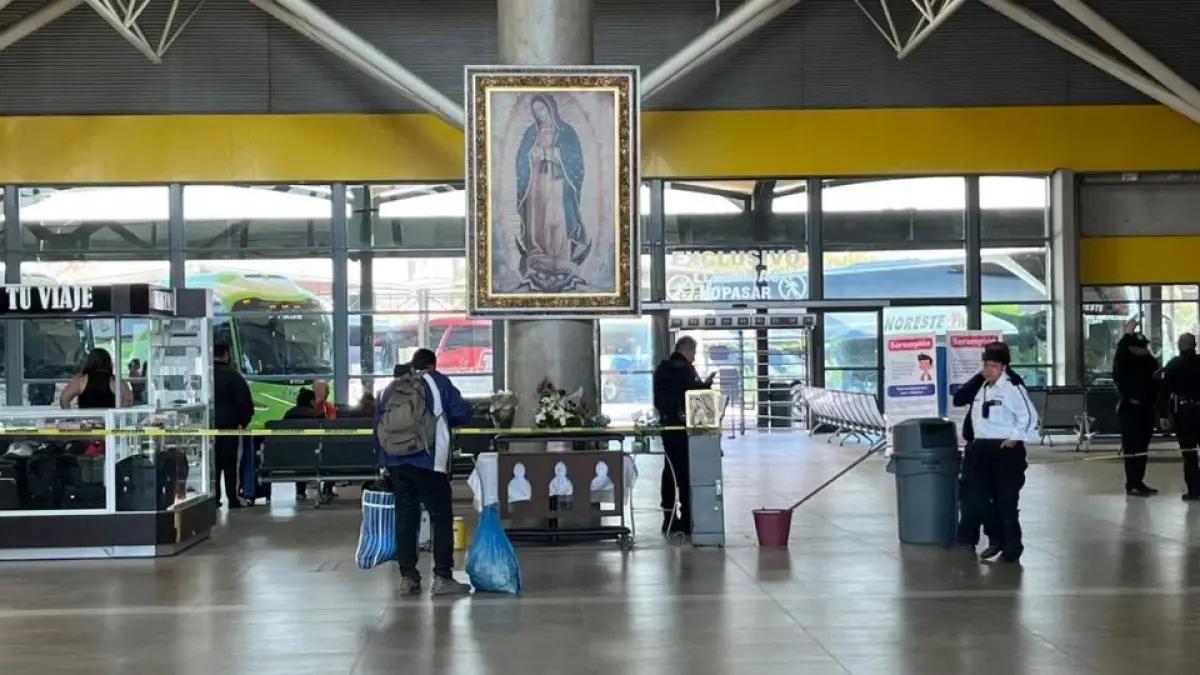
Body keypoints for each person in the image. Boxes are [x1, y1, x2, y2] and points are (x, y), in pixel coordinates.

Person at [376, 348, 472, 596]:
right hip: (428, 461)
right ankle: (442, 577)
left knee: (405, 518)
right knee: (441, 517)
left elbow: (379, 424)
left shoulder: (393, 387)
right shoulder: (437, 382)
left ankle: (408, 577)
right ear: (433, 365)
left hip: (396, 462)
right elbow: (461, 412)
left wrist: (384, 463)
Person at [955, 342, 1037, 563]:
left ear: (1004, 367)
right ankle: (995, 536)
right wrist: (980, 377)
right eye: (986, 365)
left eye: (993, 366)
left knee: (1006, 502)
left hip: (1004, 451)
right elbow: (960, 398)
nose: (988, 370)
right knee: (976, 499)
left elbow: (1029, 416)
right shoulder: (982, 385)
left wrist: (1015, 438)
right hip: (980, 449)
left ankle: (1011, 546)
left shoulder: (1012, 387)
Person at [514, 93, 591, 291]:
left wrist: (556, 156)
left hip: (558, 182)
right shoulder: (531, 133)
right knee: (537, 217)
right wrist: (532, 157)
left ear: (551, 108)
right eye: (535, 111)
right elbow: (521, 159)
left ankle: (559, 255)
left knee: (556, 216)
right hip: (536, 182)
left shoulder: (567, 133)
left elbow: (576, 162)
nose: (539, 114)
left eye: (542, 109)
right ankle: (538, 253)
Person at [653, 336, 714, 536]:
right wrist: (706, 385)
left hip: (667, 427)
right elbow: (695, 396)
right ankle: (687, 519)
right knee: (685, 473)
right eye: (693, 353)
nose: (694, 357)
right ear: (686, 350)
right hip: (683, 428)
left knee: (669, 471)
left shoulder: (661, 369)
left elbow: (659, 400)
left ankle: (668, 518)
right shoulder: (685, 370)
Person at [1113, 320, 1160, 497]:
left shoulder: (1148, 361)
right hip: (1130, 409)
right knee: (1132, 448)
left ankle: (1139, 482)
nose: (1144, 349)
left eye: (1144, 347)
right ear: (1132, 348)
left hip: (1146, 409)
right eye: (1140, 347)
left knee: (1142, 448)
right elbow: (1120, 353)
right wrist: (1127, 334)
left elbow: (1156, 373)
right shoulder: (1124, 361)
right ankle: (1132, 483)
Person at [1159, 333, 1200, 502]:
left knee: (1189, 454)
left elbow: (1164, 391)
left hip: (1184, 414)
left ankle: (1194, 491)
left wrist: (1162, 414)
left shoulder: (1173, 364)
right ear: (1195, 345)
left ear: (1178, 346)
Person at [213, 343, 254, 509]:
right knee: (231, 465)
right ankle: (233, 498)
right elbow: (246, 404)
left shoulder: (205, 374)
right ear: (226, 354)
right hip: (230, 427)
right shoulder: (234, 376)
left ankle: (213, 497)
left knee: (212, 464)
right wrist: (242, 422)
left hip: (208, 428)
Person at [59, 348, 133, 409]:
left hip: (87, 420)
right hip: (110, 420)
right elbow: (128, 401)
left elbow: (64, 399)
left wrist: (70, 418)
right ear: (108, 362)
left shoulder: (81, 380)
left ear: (89, 362)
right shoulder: (116, 381)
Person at [284, 388, 319, 500]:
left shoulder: (288, 414)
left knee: (299, 454)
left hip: (289, 456)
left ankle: (300, 492)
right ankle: (326, 490)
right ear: (311, 401)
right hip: (314, 455)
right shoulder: (316, 415)